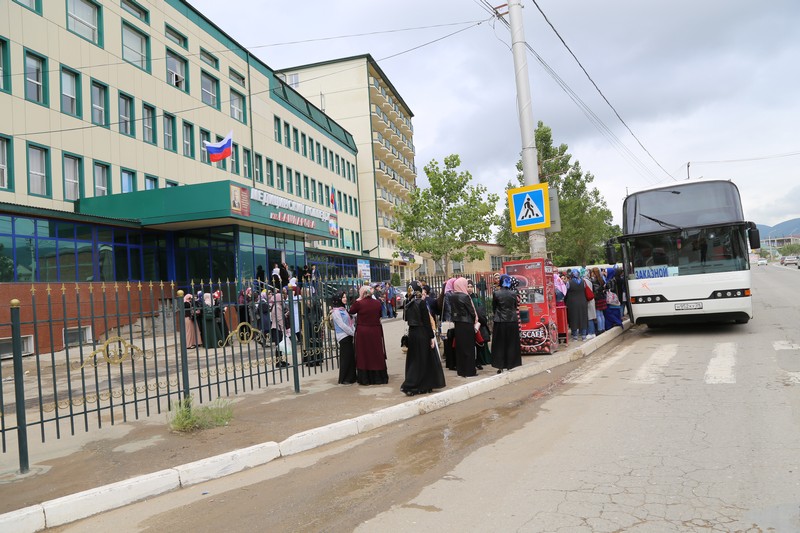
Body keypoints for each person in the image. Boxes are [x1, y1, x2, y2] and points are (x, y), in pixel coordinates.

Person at [401, 281, 446, 396]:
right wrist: (431, 337)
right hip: (422, 333)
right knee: (424, 360)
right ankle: (419, 385)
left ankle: (416, 384)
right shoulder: (421, 303)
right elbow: (426, 322)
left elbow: (405, 319)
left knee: (415, 360)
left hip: (412, 333)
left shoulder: (407, 302)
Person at [349, 285, 388, 385]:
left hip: (363, 332)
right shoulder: (377, 303)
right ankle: (379, 378)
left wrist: (358, 300)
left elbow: (351, 311)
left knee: (364, 354)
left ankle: (365, 378)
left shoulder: (359, 303)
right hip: (375, 330)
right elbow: (379, 314)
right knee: (376, 353)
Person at [449, 277, 478, 378]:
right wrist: (475, 320)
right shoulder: (465, 297)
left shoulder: (452, 296)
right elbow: (471, 311)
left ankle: (461, 370)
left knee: (460, 348)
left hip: (458, 324)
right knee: (469, 348)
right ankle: (470, 371)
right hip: (467, 324)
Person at [492, 274, 521, 373]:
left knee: (499, 344)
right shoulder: (513, 293)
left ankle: (500, 365)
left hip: (500, 321)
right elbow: (515, 306)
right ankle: (511, 364)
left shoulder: (496, 293)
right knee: (511, 343)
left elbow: (494, 308)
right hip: (512, 321)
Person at [331, 290, 356, 383]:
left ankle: (351, 377)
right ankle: (344, 379)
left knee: (351, 357)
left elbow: (350, 322)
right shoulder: (336, 312)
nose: (345, 299)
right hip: (343, 336)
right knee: (346, 358)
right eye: (343, 297)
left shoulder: (344, 309)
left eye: (345, 297)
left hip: (349, 335)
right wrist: (352, 333)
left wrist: (353, 331)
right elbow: (342, 325)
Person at [468, 279, 491, 368]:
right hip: (469, 324)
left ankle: (479, 361)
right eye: (468, 286)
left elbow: (480, 311)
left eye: (471, 287)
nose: (469, 288)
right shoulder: (465, 297)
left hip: (478, 324)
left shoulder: (476, 298)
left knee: (479, 343)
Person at [565, 270, 589, 341]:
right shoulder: (583, 282)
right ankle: (584, 335)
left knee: (573, 318)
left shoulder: (569, 283)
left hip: (573, 303)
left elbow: (566, 292)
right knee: (583, 318)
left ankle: (575, 336)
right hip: (583, 301)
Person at [590, 267, 606, 335]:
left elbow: (595, 290)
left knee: (598, 314)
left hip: (597, 298)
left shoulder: (594, 281)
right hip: (602, 297)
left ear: (594, 272)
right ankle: (603, 328)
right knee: (602, 314)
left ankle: (599, 329)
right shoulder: (601, 279)